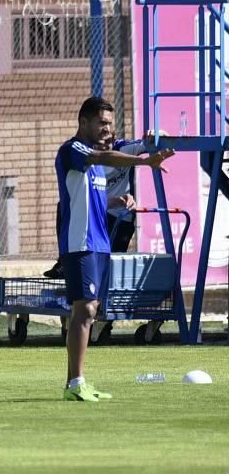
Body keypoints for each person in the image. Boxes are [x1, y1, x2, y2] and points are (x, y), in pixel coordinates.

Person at [56, 97, 174, 402]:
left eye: (110, 122)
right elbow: (102, 158)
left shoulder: (95, 162)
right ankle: (75, 383)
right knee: (84, 309)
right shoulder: (74, 151)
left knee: (90, 311)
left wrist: (115, 201)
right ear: (84, 123)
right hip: (79, 242)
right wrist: (145, 161)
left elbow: (89, 196)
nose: (108, 128)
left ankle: (77, 381)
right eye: (102, 123)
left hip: (99, 243)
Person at [43, 129, 163, 278]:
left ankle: (103, 293)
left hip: (120, 217)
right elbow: (92, 199)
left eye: (108, 142)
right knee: (64, 205)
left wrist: (157, 133)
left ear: (115, 140)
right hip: (98, 211)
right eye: (99, 143)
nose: (104, 146)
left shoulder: (125, 149)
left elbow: (157, 141)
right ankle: (65, 261)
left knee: (108, 271)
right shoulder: (88, 160)